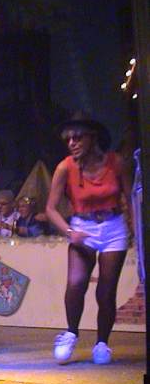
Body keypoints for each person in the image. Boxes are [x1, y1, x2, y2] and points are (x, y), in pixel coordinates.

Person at [46, 113, 132, 365]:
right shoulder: (65, 167)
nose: (72, 143)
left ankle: (102, 343)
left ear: (92, 137)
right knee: (76, 283)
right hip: (82, 226)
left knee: (106, 289)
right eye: (68, 139)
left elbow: (130, 197)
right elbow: (50, 208)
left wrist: (136, 229)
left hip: (113, 227)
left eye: (77, 137)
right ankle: (71, 333)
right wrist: (70, 232)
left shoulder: (116, 162)